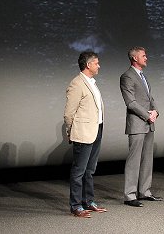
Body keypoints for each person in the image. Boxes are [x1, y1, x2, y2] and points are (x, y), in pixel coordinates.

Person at [64, 51, 107, 217]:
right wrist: (70, 131)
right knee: (79, 171)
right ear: (88, 65)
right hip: (83, 133)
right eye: (96, 63)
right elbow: (69, 113)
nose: (99, 65)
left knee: (90, 170)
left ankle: (88, 201)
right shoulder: (77, 83)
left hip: (96, 129)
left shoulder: (92, 83)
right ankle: (76, 206)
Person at [120, 46, 162, 207]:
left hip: (148, 123)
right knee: (134, 160)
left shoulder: (144, 77)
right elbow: (130, 102)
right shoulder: (127, 77)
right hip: (137, 124)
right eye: (144, 56)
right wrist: (147, 115)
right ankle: (130, 195)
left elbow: (151, 98)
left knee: (147, 160)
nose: (146, 58)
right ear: (135, 58)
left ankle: (145, 192)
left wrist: (156, 112)